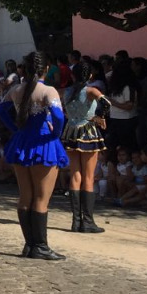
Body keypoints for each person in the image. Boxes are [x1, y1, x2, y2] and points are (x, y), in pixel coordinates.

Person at [0, 52, 68, 261]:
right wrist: (55, 134)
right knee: (41, 198)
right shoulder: (48, 90)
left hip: (22, 141)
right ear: (46, 69)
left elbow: (1, 110)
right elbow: (58, 116)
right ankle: (41, 246)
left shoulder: (16, 90)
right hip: (43, 142)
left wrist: (14, 128)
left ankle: (29, 244)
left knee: (25, 195)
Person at [61, 61, 111, 233]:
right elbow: (107, 103)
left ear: (73, 75)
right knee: (88, 177)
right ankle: (87, 221)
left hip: (71, 131)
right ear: (90, 75)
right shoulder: (91, 90)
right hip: (88, 131)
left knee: (75, 174)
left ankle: (76, 222)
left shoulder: (66, 92)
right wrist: (99, 117)